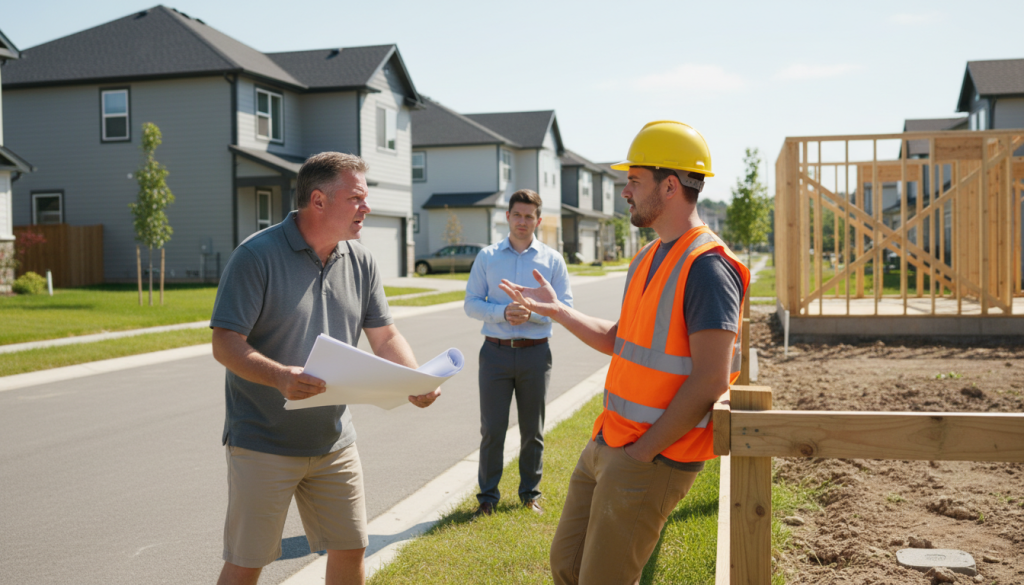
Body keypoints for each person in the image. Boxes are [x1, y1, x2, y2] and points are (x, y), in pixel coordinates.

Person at [500, 121, 750, 584]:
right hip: (609, 441)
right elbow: (621, 338)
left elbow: (711, 379)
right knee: (567, 566)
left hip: (654, 455)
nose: (625, 192)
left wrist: (642, 453)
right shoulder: (649, 256)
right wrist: (559, 312)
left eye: (634, 180)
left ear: (670, 186)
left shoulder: (709, 267)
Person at [209, 152, 440, 585]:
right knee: (247, 561)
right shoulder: (256, 256)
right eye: (356, 198)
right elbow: (225, 342)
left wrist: (414, 379)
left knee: (351, 547)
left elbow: (385, 336)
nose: (366, 207)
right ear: (318, 200)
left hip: (334, 441)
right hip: (263, 441)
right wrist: (281, 376)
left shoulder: (361, 260)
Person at [464, 189, 572, 517]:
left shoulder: (552, 260)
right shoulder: (487, 257)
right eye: (517, 215)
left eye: (529, 216)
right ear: (507, 217)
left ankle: (530, 495)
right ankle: (487, 498)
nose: (522, 221)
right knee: (492, 429)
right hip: (494, 354)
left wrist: (532, 313)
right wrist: (502, 312)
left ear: (538, 220)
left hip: (535, 354)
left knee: (532, 430)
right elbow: (471, 303)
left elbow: (565, 308)